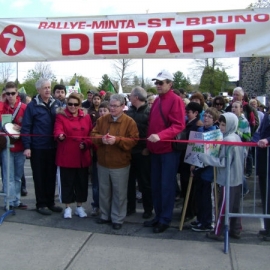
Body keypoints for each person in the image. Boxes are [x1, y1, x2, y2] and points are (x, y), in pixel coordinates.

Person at [144, 70, 185, 233]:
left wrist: (160, 136)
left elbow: (178, 125)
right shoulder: (157, 101)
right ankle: (158, 215)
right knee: (156, 185)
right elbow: (152, 124)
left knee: (166, 186)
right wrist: (149, 145)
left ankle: (165, 219)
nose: (158, 85)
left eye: (161, 83)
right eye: (156, 82)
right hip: (156, 150)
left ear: (170, 84)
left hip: (168, 150)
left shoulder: (175, 100)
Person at [91, 94, 139, 230]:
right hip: (103, 163)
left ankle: (118, 218)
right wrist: (101, 139)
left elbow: (134, 140)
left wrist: (117, 140)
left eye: (115, 106)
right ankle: (105, 215)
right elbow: (92, 135)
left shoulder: (129, 122)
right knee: (104, 191)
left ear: (123, 106)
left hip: (120, 164)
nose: (112, 108)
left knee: (119, 193)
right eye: (110, 105)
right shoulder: (102, 120)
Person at [197, 113, 244, 240]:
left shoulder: (228, 140)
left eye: (224, 125)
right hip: (237, 176)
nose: (221, 127)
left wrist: (204, 157)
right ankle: (235, 229)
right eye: (221, 124)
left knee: (224, 206)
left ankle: (219, 232)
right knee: (234, 205)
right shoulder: (236, 137)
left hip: (228, 177)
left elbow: (223, 162)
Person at [21, 78, 63, 215]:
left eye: (49, 87)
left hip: (53, 147)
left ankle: (50, 202)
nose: (47, 90)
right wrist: (27, 147)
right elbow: (26, 127)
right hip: (38, 147)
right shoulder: (32, 106)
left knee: (51, 176)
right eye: (44, 87)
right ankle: (41, 204)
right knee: (39, 176)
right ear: (38, 90)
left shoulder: (56, 104)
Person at [54, 93, 92, 218]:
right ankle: (67, 207)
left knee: (81, 183)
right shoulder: (61, 116)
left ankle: (80, 207)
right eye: (70, 104)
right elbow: (57, 129)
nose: (72, 106)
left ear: (80, 105)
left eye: (75, 104)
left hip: (82, 155)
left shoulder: (86, 117)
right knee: (67, 183)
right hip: (67, 155)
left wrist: (86, 143)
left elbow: (91, 134)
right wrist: (60, 135)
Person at [190, 107, 219, 232]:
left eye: (209, 117)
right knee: (199, 195)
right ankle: (200, 218)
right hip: (198, 166)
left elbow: (213, 153)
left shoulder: (215, 133)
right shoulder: (200, 130)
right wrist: (192, 162)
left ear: (215, 120)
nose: (206, 118)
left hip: (208, 169)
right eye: (205, 116)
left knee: (207, 196)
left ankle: (207, 221)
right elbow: (194, 148)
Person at [126, 86, 153, 219]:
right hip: (130, 152)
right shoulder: (128, 112)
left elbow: (153, 131)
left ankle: (148, 209)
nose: (129, 98)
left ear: (136, 97)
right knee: (129, 182)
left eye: (130, 95)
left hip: (143, 152)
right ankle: (130, 207)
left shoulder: (150, 112)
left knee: (145, 183)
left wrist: (148, 148)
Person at [0, 81, 27, 210]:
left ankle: (16, 200)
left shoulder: (23, 108)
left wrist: (21, 127)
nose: (10, 96)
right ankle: (9, 201)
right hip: (6, 147)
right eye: (8, 93)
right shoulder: (1, 106)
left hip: (20, 146)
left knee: (18, 176)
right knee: (8, 176)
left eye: (13, 93)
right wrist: (2, 101)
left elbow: (28, 126)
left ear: (17, 94)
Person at [178, 102, 203, 221]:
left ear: (196, 113)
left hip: (190, 159)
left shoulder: (197, 126)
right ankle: (186, 209)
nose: (186, 114)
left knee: (190, 186)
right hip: (184, 157)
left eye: (188, 112)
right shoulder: (188, 123)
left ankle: (190, 211)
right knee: (184, 185)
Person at [90, 101, 110, 216]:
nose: (102, 113)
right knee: (96, 184)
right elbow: (91, 137)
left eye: (105, 110)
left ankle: (107, 207)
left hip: (109, 158)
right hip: (97, 157)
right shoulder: (96, 124)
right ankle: (96, 205)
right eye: (100, 110)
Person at [257, 110, 270, 241]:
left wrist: (267, 140)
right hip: (264, 162)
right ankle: (267, 227)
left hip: (267, 160)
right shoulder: (267, 114)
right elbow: (260, 132)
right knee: (266, 196)